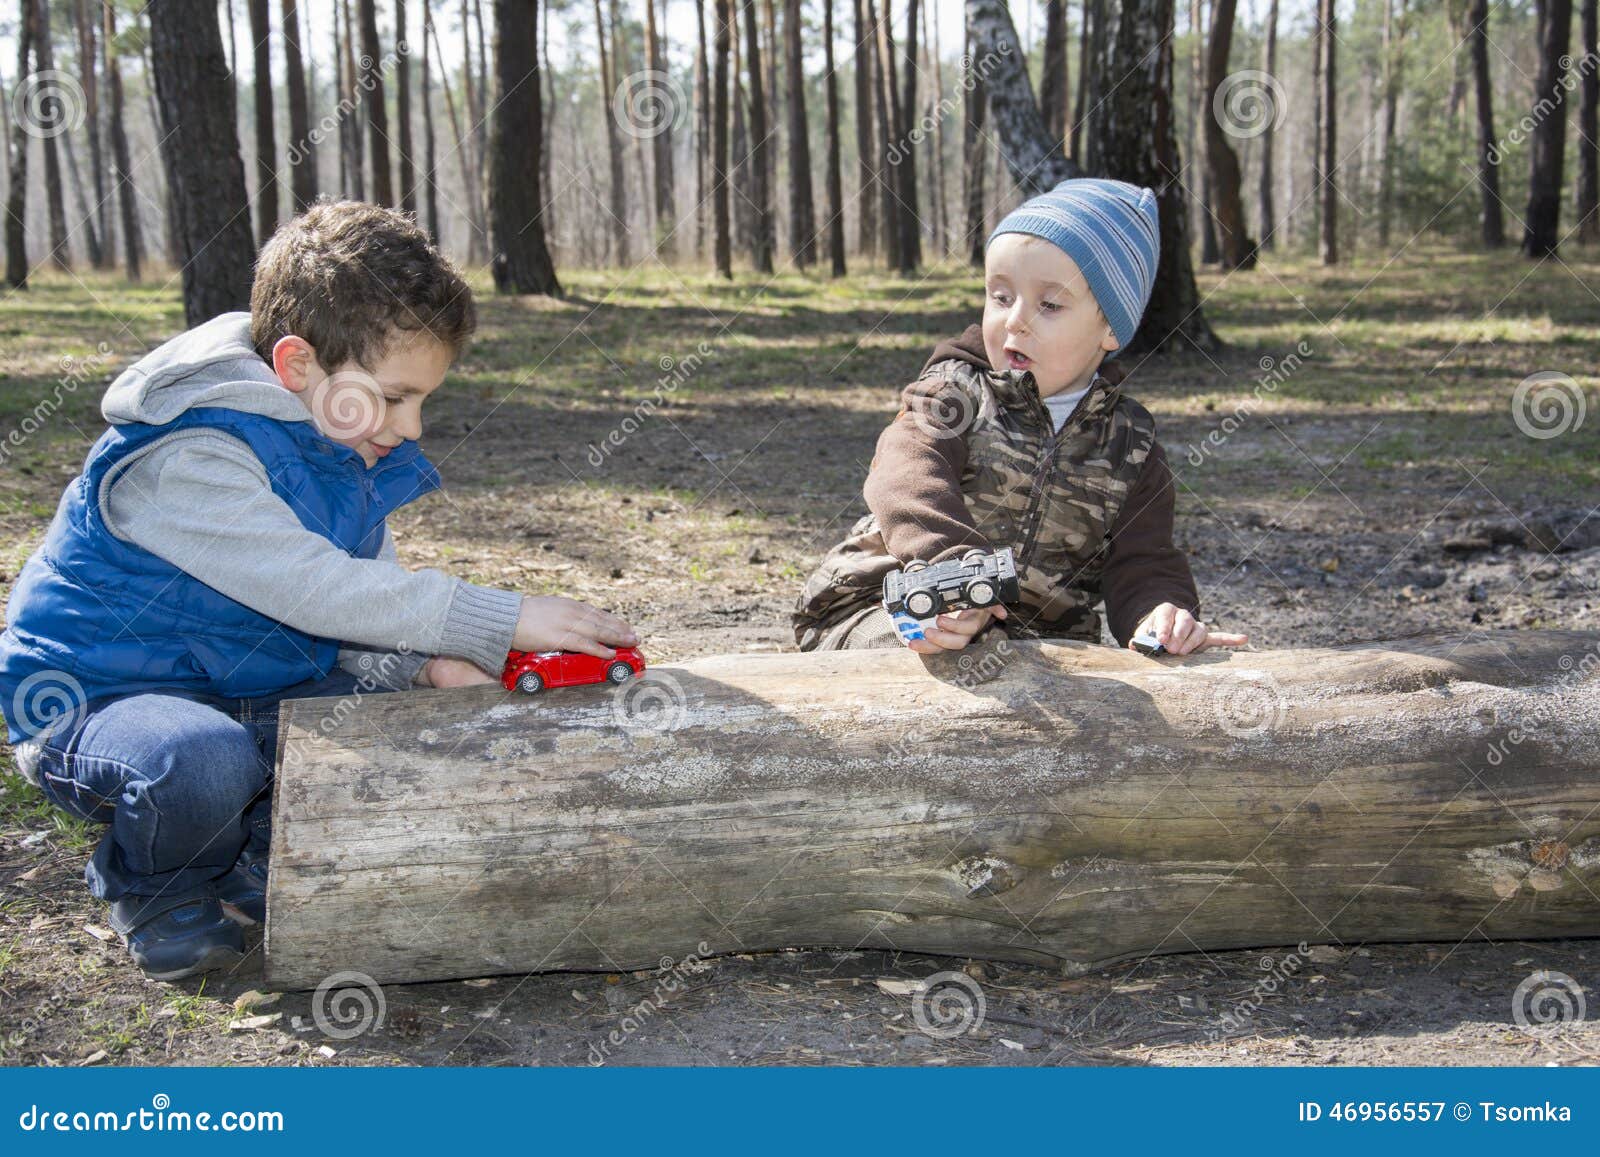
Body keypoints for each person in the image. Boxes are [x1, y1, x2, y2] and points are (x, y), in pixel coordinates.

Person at [0, 201, 638, 979]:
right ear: (299, 366)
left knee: (385, 718)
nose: (414, 428)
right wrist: (499, 616)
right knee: (198, 762)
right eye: (397, 396)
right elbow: (315, 588)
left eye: (423, 401)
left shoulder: (344, 449)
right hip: (101, 703)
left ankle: (253, 847)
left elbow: (370, 598)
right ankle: (156, 883)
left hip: (242, 691)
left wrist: (426, 666)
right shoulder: (189, 453)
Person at [794, 178, 1247, 658]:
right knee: (938, 660)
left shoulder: (1129, 445)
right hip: (883, 603)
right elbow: (904, 475)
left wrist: (1162, 611)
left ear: (1110, 329)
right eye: (1001, 297)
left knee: (1031, 684)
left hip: (1033, 646)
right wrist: (953, 568)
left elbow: (1144, 561)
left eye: (1049, 304)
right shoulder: (955, 392)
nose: (1015, 321)